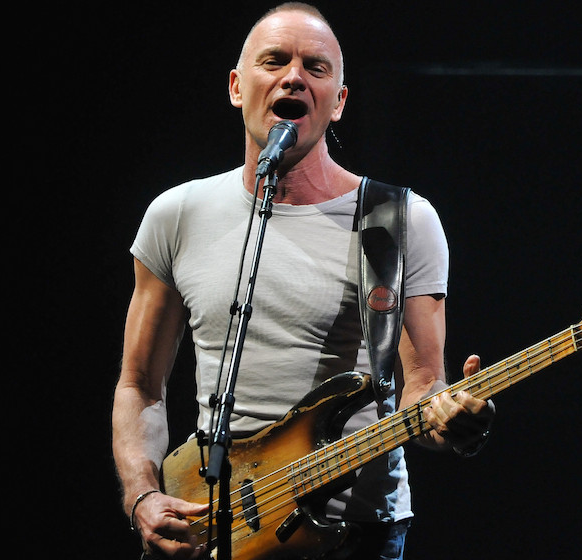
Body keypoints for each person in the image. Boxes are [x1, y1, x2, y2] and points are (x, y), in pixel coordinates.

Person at [112, 3, 495, 559]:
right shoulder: (178, 214)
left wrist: (455, 418)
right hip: (213, 527)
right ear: (236, 87)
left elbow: (423, 389)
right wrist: (143, 495)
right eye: (274, 61)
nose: (293, 76)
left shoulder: (400, 220)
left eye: (316, 68)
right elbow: (139, 386)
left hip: (354, 534)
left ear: (338, 103)